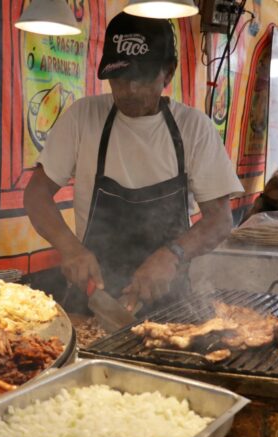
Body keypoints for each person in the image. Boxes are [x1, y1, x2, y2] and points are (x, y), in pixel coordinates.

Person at [24, 12, 243, 312]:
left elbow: (219, 220)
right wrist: (70, 248)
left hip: (172, 304)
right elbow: (37, 194)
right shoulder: (82, 117)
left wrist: (173, 254)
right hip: (94, 299)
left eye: (140, 78)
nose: (130, 90)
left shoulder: (194, 128)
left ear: (168, 73)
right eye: (120, 78)